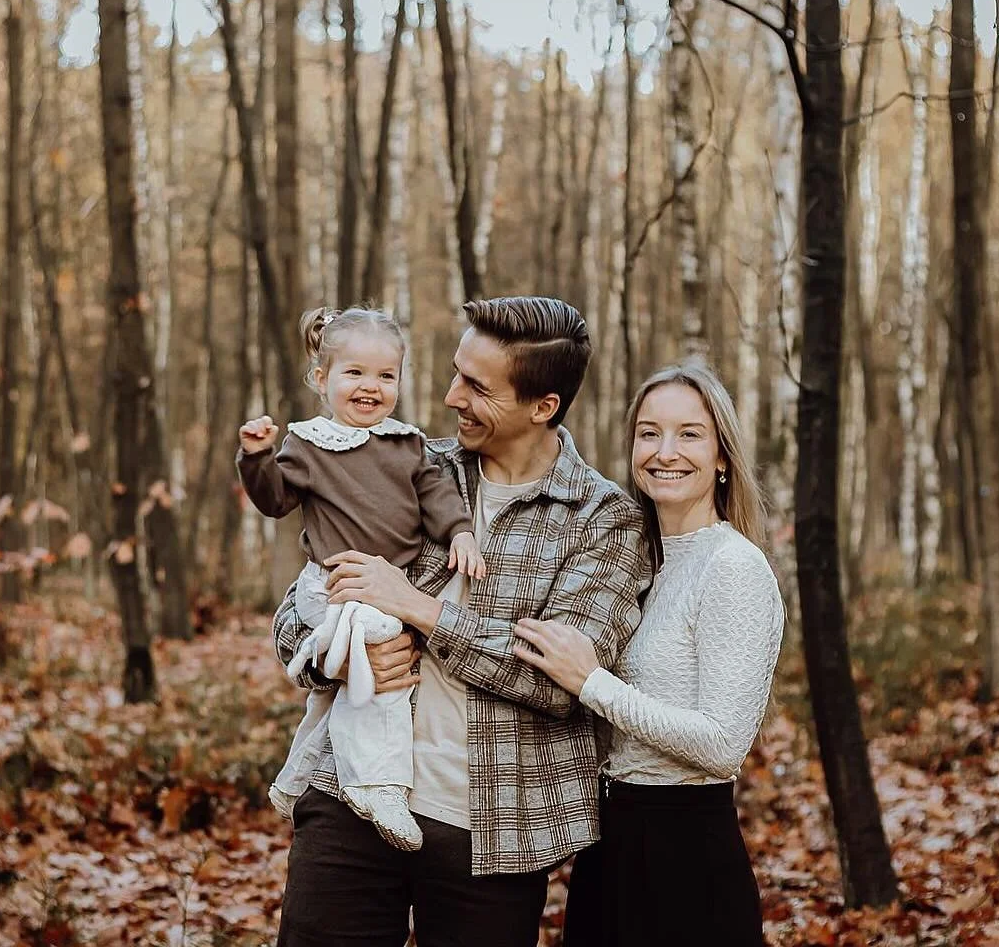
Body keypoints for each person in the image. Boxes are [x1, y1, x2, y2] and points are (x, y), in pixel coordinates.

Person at [272, 296, 651, 947]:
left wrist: (421, 610)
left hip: (494, 829)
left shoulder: (603, 519)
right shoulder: (410, 464)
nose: (451, 396)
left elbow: (561, 681)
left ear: (543, 407)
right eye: (455, 373)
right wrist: (330, 655)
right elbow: (293, 612)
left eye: (477, 386)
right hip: (349, 795)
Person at [513, 362, 785, 947]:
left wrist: (590, 683)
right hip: (610, 845)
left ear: (721, 457)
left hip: (686, 857)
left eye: (689, 433)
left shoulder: (732, 566)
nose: (665, 451)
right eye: (648, 432)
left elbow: (722, 745)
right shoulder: (640, 562)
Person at [237, 304, 486, 852]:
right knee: (381, 675)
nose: (370, 386)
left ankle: (297, 774)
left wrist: (461, 532)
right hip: (333, 580)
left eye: (385, 375)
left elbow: (437, 494)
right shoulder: (309, 443)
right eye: (354, 373)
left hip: (389, 582)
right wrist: (255, 457)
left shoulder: (407, 443)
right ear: (322, 380)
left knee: (336, 695)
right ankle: (378, 785)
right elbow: (275, 500)